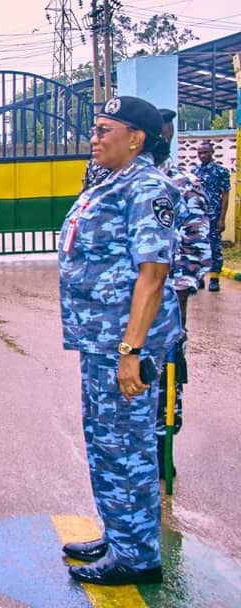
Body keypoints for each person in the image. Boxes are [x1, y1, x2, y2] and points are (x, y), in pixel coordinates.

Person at [57, 96, 181, 587]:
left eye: (105, 130)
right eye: (96, 129)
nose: (95, 137)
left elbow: (152, 275)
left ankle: (137, 556)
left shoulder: (148, 187)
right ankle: (121, 535)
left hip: (124, 343)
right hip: (102, 340)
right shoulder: (114, 181)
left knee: (125, 445)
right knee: (107, 442)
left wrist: (131, 352)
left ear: (136, 138)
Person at [152, 110, 210, 479]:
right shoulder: (109, 180)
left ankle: (163, 449)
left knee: (166, 381)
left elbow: (195, 247)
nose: (164, 140)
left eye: (167, 134)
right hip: (122, 309)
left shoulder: (183, 184)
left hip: (167, 304)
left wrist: (180, 300)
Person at [191, 140, 231, 292]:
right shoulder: (194, 172)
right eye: (199, 153)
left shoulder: (221, 172)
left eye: (205, 152)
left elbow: (225, 195)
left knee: (214, 247)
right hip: (197, 217)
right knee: (197, 247)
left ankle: (214, 279)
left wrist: (222, 218)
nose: (202, 155)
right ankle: (199, 277)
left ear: (212, 152)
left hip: (214, 216)